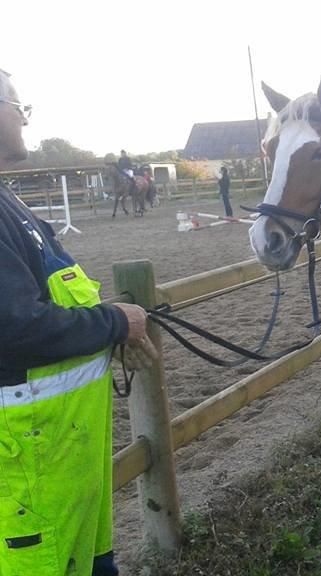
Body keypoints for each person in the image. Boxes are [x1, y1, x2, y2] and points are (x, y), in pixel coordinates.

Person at [0, 68, 157, 576]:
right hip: (31, 468)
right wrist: (114, 324)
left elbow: (56, 298)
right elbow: (15, 326)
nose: (25, 121)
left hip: (62, 463)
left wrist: (108, 329)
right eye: (19, 108)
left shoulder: (10, 202)